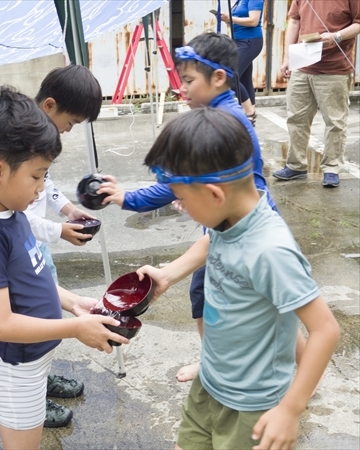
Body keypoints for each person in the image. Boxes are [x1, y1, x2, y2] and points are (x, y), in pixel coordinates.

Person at [137, 107, 339, 450]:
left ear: (215, 195)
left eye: (182, 200)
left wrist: (291, 409)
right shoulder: (230, 218)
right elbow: (210, 240)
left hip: (252, 406)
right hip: (210, 384)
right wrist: (168, 274)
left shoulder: (272, 251)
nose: (180, 208)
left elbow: (325, 330)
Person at [98, 31, 290, 383]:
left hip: (239, 233)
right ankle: (215, 362)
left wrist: (292, 405)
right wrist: (166, 273)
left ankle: (280, 372)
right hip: (223, 229)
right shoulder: (209, 120)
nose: (181, 88)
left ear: (218, 77)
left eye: (188, 80)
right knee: (204, 292)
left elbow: (247, 196)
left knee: (270, 309)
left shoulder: (226, 127)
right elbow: (185, 192)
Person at [0, 86, 128, 450]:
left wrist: (72, 303)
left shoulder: (13, 211)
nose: (41, 189)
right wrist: (75, 328)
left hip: (33, 365)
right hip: (15, 372)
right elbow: (2, 323)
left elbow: (32, 278)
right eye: (36, 176)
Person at [28, 64, 103, 427]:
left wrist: (69, 210)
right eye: (71, 122)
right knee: (31, 323)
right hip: (20, 248)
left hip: (37, 247)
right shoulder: (19, 143)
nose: (70, 130)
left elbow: (48, 184)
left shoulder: (39, 138)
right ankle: (31, 396)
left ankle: (41, 377)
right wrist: (60, 231)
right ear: (50, 106)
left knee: (47, 313)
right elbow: (15, 218)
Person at [272, 0, 359, 188]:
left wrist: (337, 35)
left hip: (334, 68)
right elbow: (294, 21)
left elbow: (358, 23)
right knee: (296, 118)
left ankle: (331, 168)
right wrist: (287, 58)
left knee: (335, 121)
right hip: (301, 65)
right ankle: (296, 165)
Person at [220, 0, 265, 124]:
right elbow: (233, 23)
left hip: (250, 41)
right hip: (238, 41)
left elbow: (253, 21)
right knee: (244, 78)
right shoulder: (238, 2)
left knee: (230, 76)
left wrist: (230, 18)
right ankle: (250, 113)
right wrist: (226, 20)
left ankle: (249, 112)